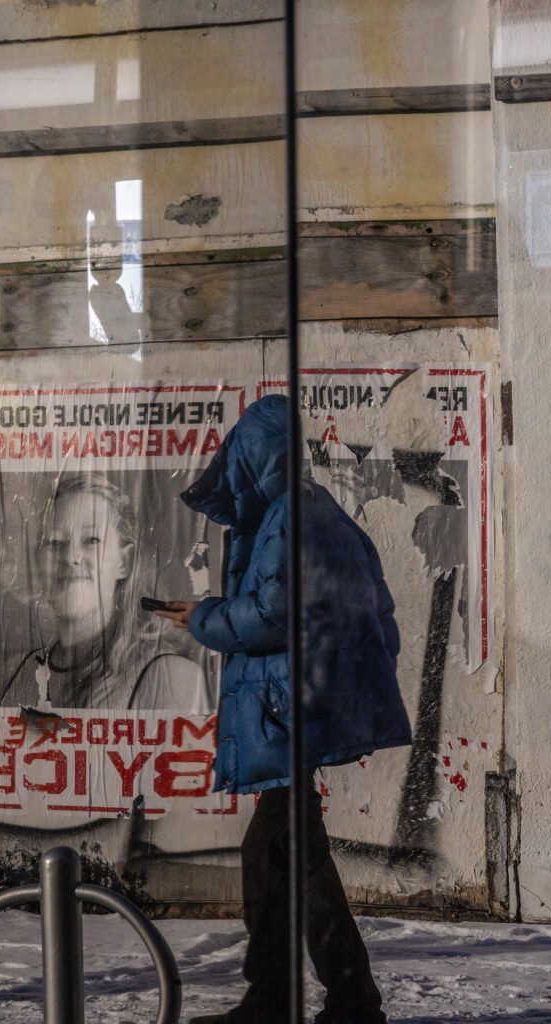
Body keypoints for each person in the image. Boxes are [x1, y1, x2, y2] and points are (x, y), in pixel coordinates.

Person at [156, 394, 412, 1024]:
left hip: (288, 711)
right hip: (303, 708)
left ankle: (337, 1002)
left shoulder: (288, 519)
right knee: (279, 854)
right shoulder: (318, 511)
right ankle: (294, 997)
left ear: (255, 457)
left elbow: (275, 614)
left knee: (291, 854)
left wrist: (206, 617)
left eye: (240, 458)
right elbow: (377, 613)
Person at [0, 472, 209, 711]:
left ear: (124, 562)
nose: (70, 557)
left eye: (91, 540)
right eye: (55, 542)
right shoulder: (18, 672)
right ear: (38, 561)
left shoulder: (171, 678)